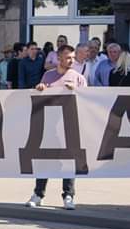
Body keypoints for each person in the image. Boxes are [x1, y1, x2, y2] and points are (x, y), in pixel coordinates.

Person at [26, 44, 86, 210]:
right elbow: (41, 96)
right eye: (68, 58)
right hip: (50, 126)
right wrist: (40, 89)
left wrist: (76, 91)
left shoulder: (78, 78)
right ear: (59, 58)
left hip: (69, 126)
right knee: (45, 160)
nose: (71, 61)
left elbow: (86, 101)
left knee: (68, 162)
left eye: (73, 58)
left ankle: (68, 195)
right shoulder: (48, 75)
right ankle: (38, 194)